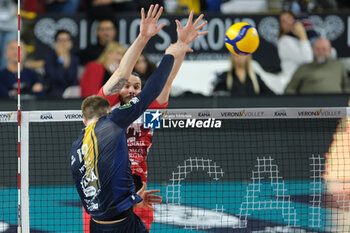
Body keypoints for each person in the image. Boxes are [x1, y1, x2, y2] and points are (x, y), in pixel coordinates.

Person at [71, 4, 201, 232]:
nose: (132, 89)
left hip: (138, 192)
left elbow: (166, 81)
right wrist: (143, 37)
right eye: (128, 86)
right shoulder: (107, 108)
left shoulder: (148, 111)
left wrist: (181, 46)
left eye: (137, 86)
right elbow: (122, 72)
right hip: (103, 195)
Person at [284, 38, 349, 94]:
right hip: (309, 105)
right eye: (317, 49)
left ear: (329, 51)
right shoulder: (303, 67)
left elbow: (346, 87)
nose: (320, 52)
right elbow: (290, 89)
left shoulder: (339, 65)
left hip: (336, 104)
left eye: (324, 49)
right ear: (313, 50)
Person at [277, 11, 314, 89]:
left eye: (289, 18)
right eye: (283, 22)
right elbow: (307, 60)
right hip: (291, 83)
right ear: (281, 27)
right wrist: (302, 35)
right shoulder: (284, 41)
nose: (288, 22)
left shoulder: (308, 35)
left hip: (306, 81)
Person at [44, 30, 79, 97]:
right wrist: (61, 58)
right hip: (54, 95)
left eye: (66, 40)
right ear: (55, 43)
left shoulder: (75, 59)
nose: (63, 43)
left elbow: (74, 80)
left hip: (71, 95)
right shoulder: (49, 58)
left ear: (71, 43)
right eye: (60, 40)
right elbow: (56, 79)